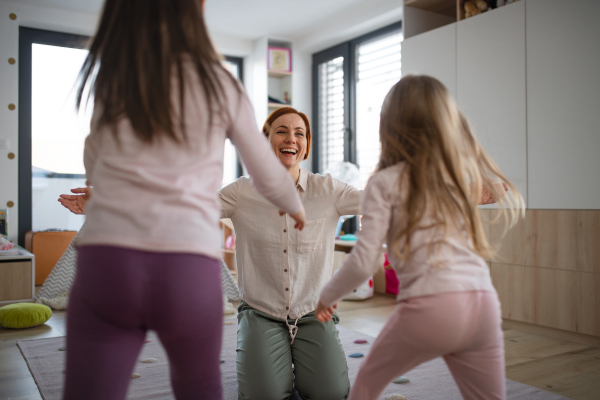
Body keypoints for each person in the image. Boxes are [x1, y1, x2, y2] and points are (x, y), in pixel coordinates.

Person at [62, 0, 305, 399]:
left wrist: (103, 194)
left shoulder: (112, 78)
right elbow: (266, 171)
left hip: (107, 263)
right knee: (199, 387)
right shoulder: (219, 83)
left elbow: (95, 158)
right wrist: (293, 205)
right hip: (187, 268)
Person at [315, 75, 524, 400]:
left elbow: (365, 260)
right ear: (446, 123)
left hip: (431, 309)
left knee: (366, 386)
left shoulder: (384, 182)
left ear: (388, 127)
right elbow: (497, 190)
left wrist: (327, 294)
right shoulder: (458, 175)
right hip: (483, 303)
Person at [219, 107, 360, 400]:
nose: (291, 139)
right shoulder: (240, 193)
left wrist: (463, 192)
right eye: (281, 131)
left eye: (300, 133)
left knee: (332, 394)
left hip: (314, 313)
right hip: (261, 314)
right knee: (263, 396)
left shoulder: (329, 190)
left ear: (306, 144)